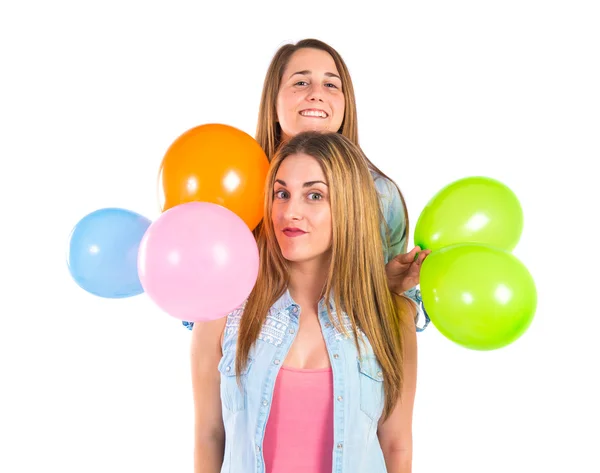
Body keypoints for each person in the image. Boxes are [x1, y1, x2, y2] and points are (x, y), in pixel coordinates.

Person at [191, 131, 417, 473]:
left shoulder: (389, 315)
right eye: (281, 193)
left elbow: (397, 446)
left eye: (314, 195)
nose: (290, 212)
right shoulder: (225, 306)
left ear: (348, 207)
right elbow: (209, 436)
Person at [183, 38, 431, 334]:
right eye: (301, 83)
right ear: (273, 100)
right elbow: (198, 308)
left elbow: (396, 315)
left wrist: (388, 289)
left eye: (330, 85)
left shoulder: (379, 194)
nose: (316, 94)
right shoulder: (234, 185)